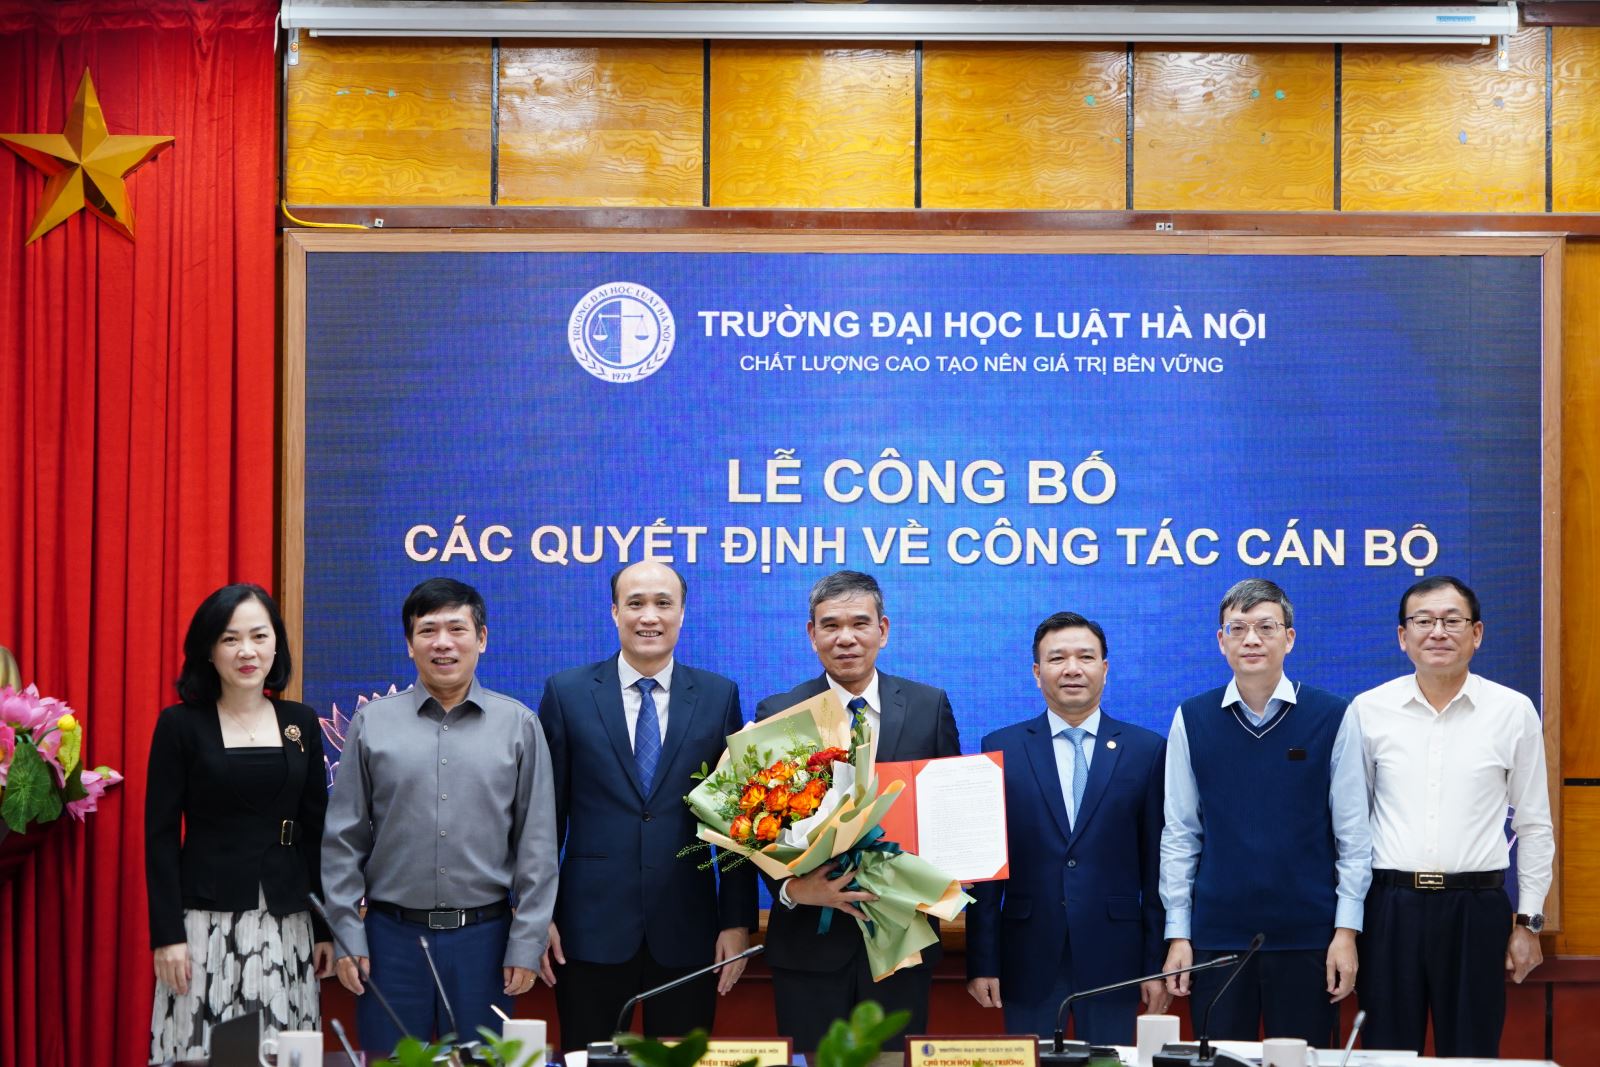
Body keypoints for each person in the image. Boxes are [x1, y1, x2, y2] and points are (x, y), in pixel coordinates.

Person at [321, 577, 558, 1053]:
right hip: (389, 942)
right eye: (428, 630)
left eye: (457, 628)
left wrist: (527, 941)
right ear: (410, 644)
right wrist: (347, 933)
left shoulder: (519, 726)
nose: (443, 642)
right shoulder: (372, 724)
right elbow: (343, 841)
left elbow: (537, 846)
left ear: (482, 638)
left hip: (485, 944)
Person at [536, 561, 756, 1050]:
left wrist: (736, 921)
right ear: (615, 612)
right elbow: (544, 819)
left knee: (678, 1060)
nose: (649, 616)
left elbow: (737, 821)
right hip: (587, 929)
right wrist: (537, 914)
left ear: (682, 613)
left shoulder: (718, 695)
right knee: (587, 1059)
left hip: (687, 928)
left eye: (663, 603)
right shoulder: (567, 693)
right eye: (635, 603)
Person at [755, 570, 960, 1054]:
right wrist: (793, 889)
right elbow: (756, 828)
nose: (845, 637)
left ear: (882, 630)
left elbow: (948, 809)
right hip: (807, 945)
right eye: (830, 625)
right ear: (812, 635)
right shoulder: (779, 712)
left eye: (859, 623)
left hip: (901, 943)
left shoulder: (929, 705)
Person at [1160, 578, 1370, 1047]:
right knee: (1218, 1059)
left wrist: (1346, 932)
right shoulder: (1192, 718)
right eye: (1237, 628)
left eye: (1265, 627)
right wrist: (1178, 934)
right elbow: (1180, 834)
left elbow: (1354, 836)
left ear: (1289, 638)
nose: (1251, 639)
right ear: (1221, 641)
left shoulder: (1332, 716)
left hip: (1307, 937)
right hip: (1216, 940)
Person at [1349, 576, 1553, 1057]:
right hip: (1390, 908)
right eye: (1423, 621)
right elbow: (1351, 827)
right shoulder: (1369, 710)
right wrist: (1348, 924)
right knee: (1386, 1055)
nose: (1437, 632)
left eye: (1452, 620)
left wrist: (1528, 923)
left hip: (1476, 909)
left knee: (1471, 1054)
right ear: (1403, 637)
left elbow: (1533, 824)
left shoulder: (1512, 711)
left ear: (1476, 633)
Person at [145, 583, 333, 1064]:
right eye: (230, 639)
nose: (247, 651)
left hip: (287, 921)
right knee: (204, 1050)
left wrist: (324, 929)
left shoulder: (300, 722)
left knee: (283, 1050)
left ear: (276, 645)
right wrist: (167, 936)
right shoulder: (180, 725)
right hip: (205, 926)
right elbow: (160, 838)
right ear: (209, 650)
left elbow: (315, 831)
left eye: (259, 636)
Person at [966, 612, 1169, 1044]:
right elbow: (986, 869)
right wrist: (982, 961)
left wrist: (1155, 962)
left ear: (1105, 669)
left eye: (1086, 657)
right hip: (1026, 954)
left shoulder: (1146, 749)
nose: (1072, 669)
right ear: (1037, 672)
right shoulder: (1000, 747)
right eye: (1057, 658)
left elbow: (1157, 869)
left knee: (1109, 1062)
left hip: (1116, 956)